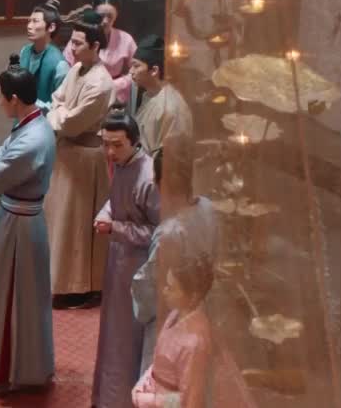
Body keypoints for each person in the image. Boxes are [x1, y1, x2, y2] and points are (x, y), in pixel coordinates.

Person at [0, 56, 57, 394]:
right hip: (21, 217)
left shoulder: (29, 142)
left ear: (15, 99)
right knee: (21, 297)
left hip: (19, 225)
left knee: (10, 298)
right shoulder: (36, 123)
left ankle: (7, 371)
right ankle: (26, 366)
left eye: (0, 97)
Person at [44, 8, 117, 309]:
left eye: (78, 43)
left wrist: (57, 114)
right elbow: (56, 100)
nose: (71, 48)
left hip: (85, 160)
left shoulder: (101, 82)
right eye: (71, 42)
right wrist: (58, 112)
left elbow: (70, 122)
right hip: (66, 155)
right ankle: (59, 281)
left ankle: (81, 287)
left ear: (95, 46)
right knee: (60, 221)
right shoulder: (76, 70)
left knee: (77, 225)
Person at [92, 112, 160, 408]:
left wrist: (116, 227)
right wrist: (106, 214)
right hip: (118, 259)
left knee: (128, 337)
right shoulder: (121, 164)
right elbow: (117, 200)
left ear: (134, 141)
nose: (110, 152)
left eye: (117, 145)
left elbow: (159, 231)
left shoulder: (149, 177)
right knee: (112, 333)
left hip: (139, 266)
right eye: (105, 144)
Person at [132, 147, 218, 373]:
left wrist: (140, 304)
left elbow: (149, 284)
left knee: (166, 379)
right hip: (201, 309)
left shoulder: (169, 232)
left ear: (159, 183)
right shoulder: (208, 208)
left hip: (170, 317)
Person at [131, 259, 256, 408]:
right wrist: (143, 384)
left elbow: (188, 400)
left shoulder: (195, 343)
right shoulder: (176, 313)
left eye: (171, 288)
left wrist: (147, 399)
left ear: (193, 296)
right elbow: (160, 362)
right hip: (153, 392)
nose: (164, 291)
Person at [65, 0, 135, 104]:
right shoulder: (80, 36)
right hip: (82, 92)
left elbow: (137, 68)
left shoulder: (126, 39)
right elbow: (67, 66)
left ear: (116, 15)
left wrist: (119, 83)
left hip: (114, 94)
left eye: (110, 16)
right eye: (101, 16)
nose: (105, 21)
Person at [129, 35, 192, 156]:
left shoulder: (171, 107)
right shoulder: (149, 95)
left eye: (136, 66)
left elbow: (169, 157)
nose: (131, 71)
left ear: (154, 71)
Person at [17, 0, 70, 111]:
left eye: (35, 21)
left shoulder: (60, 64)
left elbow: (61, 106)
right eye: (29, 21)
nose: (29, 26)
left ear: (51, 27)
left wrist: (32, 104)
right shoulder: (24, 51)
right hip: (22, 116)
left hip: (45, 119)